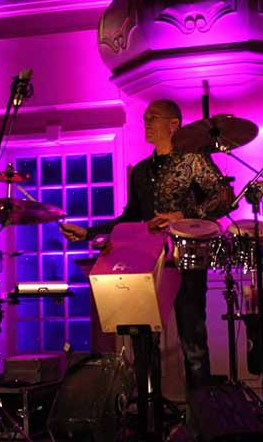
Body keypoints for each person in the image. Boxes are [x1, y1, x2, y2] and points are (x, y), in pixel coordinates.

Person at [59, 99, 232, 388]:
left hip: (186, 257)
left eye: (153, 118)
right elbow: (129, 218)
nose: (147, 123)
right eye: (145, 118)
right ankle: (149, 414)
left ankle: (201, 417)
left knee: (193, 339)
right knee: (143, 341)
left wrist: (183, 215)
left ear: (173, 124)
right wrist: (89, 233)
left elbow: (224, 196)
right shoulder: (140, 171)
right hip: (147, 260)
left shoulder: (193, 159)